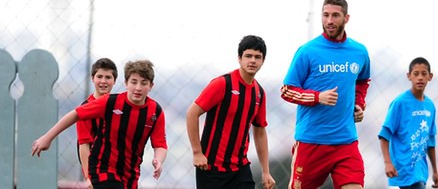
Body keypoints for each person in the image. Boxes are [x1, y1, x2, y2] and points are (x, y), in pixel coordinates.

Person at [32, 60, 168, 189]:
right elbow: (76, 116)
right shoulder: (109, 102)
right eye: (134, 82)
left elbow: (160, 144)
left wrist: (158, 160)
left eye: (143, 83)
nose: (138, 88)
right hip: (103, 170)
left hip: (130, 175)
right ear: (126, 83)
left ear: (151, 86)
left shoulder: (155, 112)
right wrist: (47, 137)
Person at [281, 0, 371, 189]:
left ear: (346, 18)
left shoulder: (359, 52)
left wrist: (359, 104)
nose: (329, 21)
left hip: (346, 142)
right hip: (311, 142)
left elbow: (363, 81)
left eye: (335, 15)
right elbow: (287, 90)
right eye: (326, 15)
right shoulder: (307, 51)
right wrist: (317, 97)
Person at [186, 35, 276, 189]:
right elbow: (192, 113)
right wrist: (197, 152)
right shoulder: (223, 84)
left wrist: (265, 171)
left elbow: (260, 131)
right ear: (239, 58)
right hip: (211, 168)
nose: (252, 61)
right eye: (248, 56)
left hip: (240, 169)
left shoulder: (259, 93)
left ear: (263, 61)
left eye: (257, 57)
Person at [378, 57, 438, 189]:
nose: (420, 78)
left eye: (424, 74)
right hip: (401, 171)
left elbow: (430, 140)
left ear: (430, 77)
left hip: (420, 172)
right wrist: (387, 162)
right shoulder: (400, 103)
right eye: (415, 74)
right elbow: (384, 134)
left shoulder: (430, 106)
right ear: (409, 76)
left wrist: (435, 171)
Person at [76, 57, 118, 188]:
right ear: (92, 78)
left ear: (114, 80)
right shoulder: (85, 109)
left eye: (108, 77)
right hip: (97, 174)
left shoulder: (118, 107)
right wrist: (89, 178)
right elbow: (83, 145)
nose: (103, 81)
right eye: (99, 76)